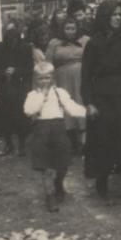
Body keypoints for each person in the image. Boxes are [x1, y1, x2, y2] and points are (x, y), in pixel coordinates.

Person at [81, 0, 121, 202]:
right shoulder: (93, 43)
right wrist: (89, 102)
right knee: (103, 140)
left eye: (120, 14)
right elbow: (86, 76)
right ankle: (102, 182)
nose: (118, 18)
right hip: (102, 97)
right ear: (104, 17)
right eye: (113, 14)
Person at [23, 62, 87, 212]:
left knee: (62, 163)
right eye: (41, 78)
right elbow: (29, 111)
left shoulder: (60, 93)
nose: (44, 81)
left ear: (52, 78)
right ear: (35, 79)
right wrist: (42, 97)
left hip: (58, 130)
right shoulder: (32, 95)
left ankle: (58, 183)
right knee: (45, 166)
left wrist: (87, 112)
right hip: (41, 131)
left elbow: (72, 108)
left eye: (47, 78)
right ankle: (49, 196)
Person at [45, 17, 89, 156]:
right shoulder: (54, 43)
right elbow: (47, 63)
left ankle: (84, 143)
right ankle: (71, 144)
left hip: (81, 79)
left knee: (81, 106)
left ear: (77, 29)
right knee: (66, 109)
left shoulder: (85, 40)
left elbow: (93, 58)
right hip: (62, 80)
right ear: (62, 29)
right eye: (67, 28)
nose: (70, 31)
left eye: (73, 28)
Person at [0, 19, 34, 156]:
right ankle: (8, 144)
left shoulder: (26, 47)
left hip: (20, 86)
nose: (11, 36)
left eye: (14, 32)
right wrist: (3, 72)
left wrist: (16, 71)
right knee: (4, 116)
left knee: (21, 116)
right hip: (4, 86)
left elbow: (30, 68)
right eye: (8, 32)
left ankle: (22, 146)